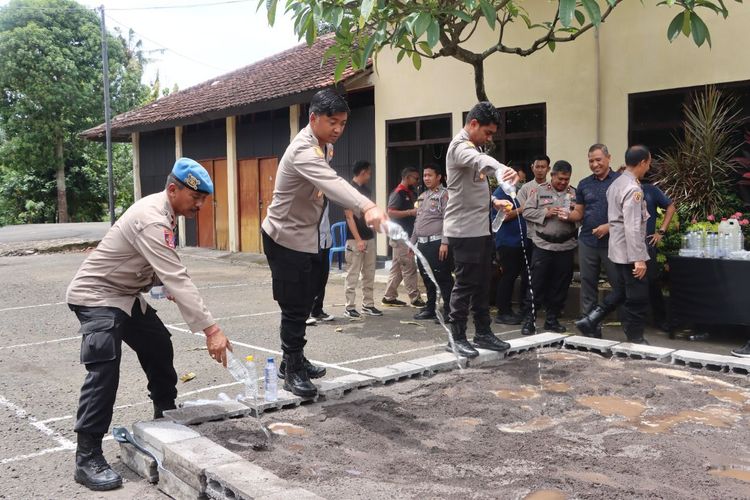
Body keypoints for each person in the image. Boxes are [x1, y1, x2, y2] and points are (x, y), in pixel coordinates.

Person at [66, 158, 231, 491]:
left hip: (125, 295)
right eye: (195, 198)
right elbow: (177, 275)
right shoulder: (153, 218)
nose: (200, 205)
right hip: (97, 295)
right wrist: (212, 330)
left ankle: (166, 412)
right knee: (105, 367)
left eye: (203, 200)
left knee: (158, 344)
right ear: (173, 189)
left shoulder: (166, 213)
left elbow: (157, 268)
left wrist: (162, 285)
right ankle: (87, 458)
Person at [261, 90, 388, 397]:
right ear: (313, 118)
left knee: (308, 300)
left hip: (310, 237)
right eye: (333, 122)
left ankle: (295, 358)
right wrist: (367, 206)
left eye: (343, 123)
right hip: (285, 237)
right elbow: (331, 184)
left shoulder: (325, 146)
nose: (338, 129)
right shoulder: (302, 150)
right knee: (294, 306)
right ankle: (291, 369)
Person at [443, 101, 518, 358]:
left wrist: (494, 201)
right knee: (465, 283)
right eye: (487, 132)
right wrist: (500, 168)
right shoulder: (460, 147)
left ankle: (483, 332)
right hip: (464, 230)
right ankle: (456, 336)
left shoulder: (474, 145)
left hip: (481, 228)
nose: (489, 138)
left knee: (484, 282)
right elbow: (479, 161)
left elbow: (472, 186)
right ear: (473, 124)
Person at [575, 145, 652, 344]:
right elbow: (633, 226)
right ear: (643, 162)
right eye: (648, 163)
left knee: (621, 291)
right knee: (637, 295)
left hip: (616, 247)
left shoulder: (617, 184)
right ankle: (636, 338)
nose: (648, 168)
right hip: (628, 250)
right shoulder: (632, 187)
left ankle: (590, 320)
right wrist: (639, 259)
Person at [519, 160, 578, 335]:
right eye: (560, 179)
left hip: (566, 246)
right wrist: (546, 212)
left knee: (560, 285)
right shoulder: (539, 191)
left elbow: (582, 215)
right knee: (536, 284)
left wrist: (573, 214)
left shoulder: (574, 193)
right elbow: (527, 212)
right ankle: (530, 320)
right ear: (552, 175)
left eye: (566, 179)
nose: (563, 183)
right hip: (543, 245)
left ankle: (552, 319)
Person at [567, 144, 620, 338]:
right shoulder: (584, 184)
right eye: (591, 161)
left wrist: (609, 226)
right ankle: (590, 326)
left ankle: (630, 328)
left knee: (619, 286)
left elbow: (627, 214)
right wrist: (567, 214)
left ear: (608, 158)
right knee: (588, 285)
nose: (595, 164)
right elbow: (579, 212)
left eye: (598, 159)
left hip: (614, 243)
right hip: (587, 241)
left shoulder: (621, 181)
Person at [410, 164, 452, 321]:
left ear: (439, 177)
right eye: (424, 175)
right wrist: (411, 242)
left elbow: (448, 219)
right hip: (422, 244)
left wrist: (445, 242)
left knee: (443, 278)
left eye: (430, 175)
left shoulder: (444, 195)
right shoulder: (422, 196)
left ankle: (449, 310)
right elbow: (417, 222)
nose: (426, 178)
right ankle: (431, 308)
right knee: (427, 277)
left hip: (437, 244)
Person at [343, 160, 381, 319]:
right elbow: (349, 217)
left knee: (369, 273)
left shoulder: (366, 190)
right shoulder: (348, 190)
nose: (370, 176)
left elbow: (369, 213)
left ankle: (368, 305)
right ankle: (349, 307)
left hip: (369, 238)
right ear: (363, 172)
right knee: (353, 273)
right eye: (369, 173)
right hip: (354, 240)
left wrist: (377, 228)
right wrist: (358, 239)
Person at [382, 166, 425, 308]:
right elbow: (390, 212)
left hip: (404, 235)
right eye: (416, 178)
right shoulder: (398, 193)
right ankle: (415, 298)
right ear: (407, 178)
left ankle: (389, 297)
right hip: (400, 236)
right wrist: (410, 212)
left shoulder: (410, 192)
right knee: (409, 266)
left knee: (398, 268)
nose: (418, 181)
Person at [492, 165, 529, 325]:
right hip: (507, 242)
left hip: (520, 241)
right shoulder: (501, 193)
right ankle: (503, 311)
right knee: (508, 275)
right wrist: (521, 209)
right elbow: (503, 217)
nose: (518, 181)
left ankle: (516, 309)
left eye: (520, 179)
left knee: (516, 276)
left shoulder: (516, 193)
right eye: (515, 178)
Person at [642, 177, 676, 331]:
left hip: (647, 243)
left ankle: (660, 319)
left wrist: (661, 231)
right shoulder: (620, 188)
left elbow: (670, 206)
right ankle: (634, 320)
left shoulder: (649, 190)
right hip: (626, 244)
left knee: (652, 283)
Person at [307, 201, 334, 325]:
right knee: (310, 279)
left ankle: (317, 311)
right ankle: (304, 313)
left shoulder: (326, 198)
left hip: (325, 241)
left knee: (322, 278)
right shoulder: (310, 197)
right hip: (313, 242)